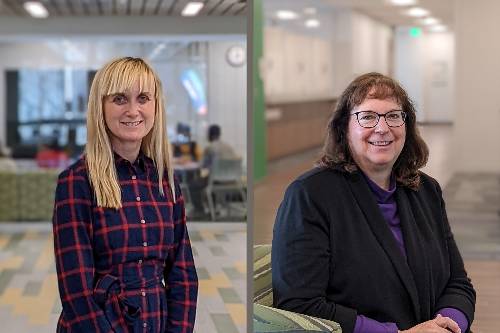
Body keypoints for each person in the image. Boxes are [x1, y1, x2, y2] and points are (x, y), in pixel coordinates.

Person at [272, 73, 475, 333]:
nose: (382, 128)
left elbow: (458, 282)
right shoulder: (309, 196)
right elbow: (298, 305)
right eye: (367, 117)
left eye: (393, 116)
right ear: (344, 127)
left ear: (407, 125)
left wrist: (449, 323)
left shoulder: (427, 190)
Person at [52, 57, 198, 332]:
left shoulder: (165, 181)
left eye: (143, 98)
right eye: (119, 99)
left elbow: (183, 275)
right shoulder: (76, 183)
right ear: (101, 108)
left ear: (156, 106)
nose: (133, 110)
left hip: (156, 322)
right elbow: (77, 293)